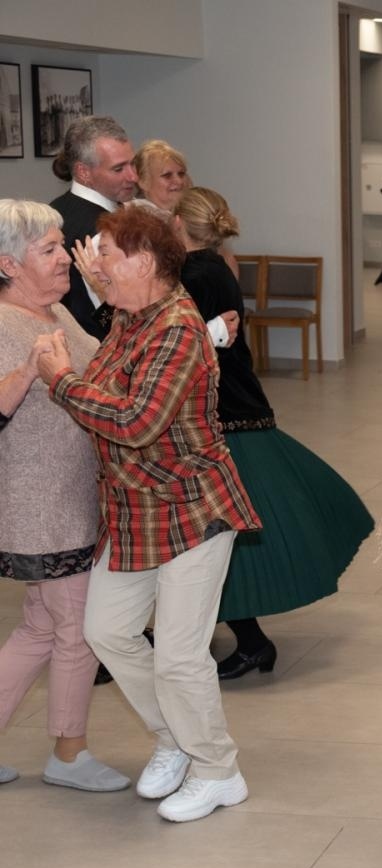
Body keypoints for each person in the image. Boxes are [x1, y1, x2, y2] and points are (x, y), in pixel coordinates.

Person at [35, 204, 260, 823]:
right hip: (135, 509)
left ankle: (219, 771)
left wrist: (61, 381)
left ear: (143, 261)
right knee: (107, 630)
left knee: (180, 656)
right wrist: (99, 295)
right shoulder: (131, 316)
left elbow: (136, 423)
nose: (97, 264)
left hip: (192, 507)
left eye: (107, 253)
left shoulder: (178, 329)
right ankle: (176, 738)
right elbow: (115, 387)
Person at [170, 187, 374, 677]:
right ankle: (241, 640)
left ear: (178, 223)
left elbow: (176, 343)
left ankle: (249, 641)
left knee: (223, 533)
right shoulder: (217, 266)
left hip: (223, 413)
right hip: (238, 405)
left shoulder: (192, 274)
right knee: (229, 530)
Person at [0, 199, 129, 792]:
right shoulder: (7, 324)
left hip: (72, 497)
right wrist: (29, 370)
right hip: (42, 506)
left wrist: (111, 295)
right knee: (77, 628)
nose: (63, 259)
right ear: (8, 263)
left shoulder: (52, 313)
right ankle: (69, 754)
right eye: (49, 249)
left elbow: (105, 369)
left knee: (40, 629)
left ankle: (67, 751)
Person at [48, 115, 138, 340]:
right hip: (103, 349)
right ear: (84, 172)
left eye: (133, 164)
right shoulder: (105, 232)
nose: (133, 176)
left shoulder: (53, 210)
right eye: (118, 169)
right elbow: (117, 319)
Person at [133, 139, 192, 213]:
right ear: (143, 182)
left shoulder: (193, 213)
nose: (179, 181)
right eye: (167, 175)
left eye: (181, 174)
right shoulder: (130, 217)